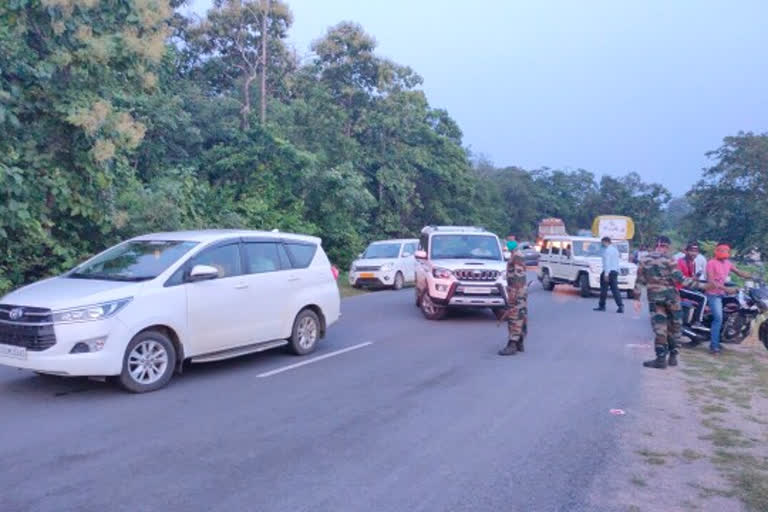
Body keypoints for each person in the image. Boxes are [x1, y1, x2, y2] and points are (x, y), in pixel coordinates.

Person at [633, 236, 694, 369]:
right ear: (667, 246)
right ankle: (673, 357)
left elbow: (639, 281)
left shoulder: (644, 260)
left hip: (655, 300)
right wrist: (701, 285)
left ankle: (661, 359)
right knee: (675, 327)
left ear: (656, 245)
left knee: (660, 329)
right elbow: (681, 279)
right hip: (672, 299)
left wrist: (637, 299)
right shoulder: (670, 260)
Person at [705, 242, 752, 355]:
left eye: (726, 251)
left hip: (722, 294)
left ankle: (722, 338)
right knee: (718, 319)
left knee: (730, 314)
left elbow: (738, 272)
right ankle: (714, 346)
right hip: (713, 294)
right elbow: (711, 281)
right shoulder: (711, 263)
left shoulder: (727, 263)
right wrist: (726, 289)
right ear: (716, 251)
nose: (724, 252)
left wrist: (750, 275)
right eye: (721, 250)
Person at [498, 238, 528, 356]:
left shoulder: (517, 256)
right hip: (517, 289)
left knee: (514, 316)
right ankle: (519, 342)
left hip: (517, 290)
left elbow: (518, 274)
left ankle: (513, 344)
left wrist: (514, 292)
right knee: (520, 315)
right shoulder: (515, 255)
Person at [677, 241, 707, 328]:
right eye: (691, 251)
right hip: (680, 288)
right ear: (686, 251)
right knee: (703, 298)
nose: (694, 253)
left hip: (687, 286)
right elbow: (681, 279)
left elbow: (691, 277)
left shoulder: (692, 263)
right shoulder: (680, 262)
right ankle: (697, 321)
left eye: (696, 251)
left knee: (706, 293)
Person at [594, 237, 624, 313]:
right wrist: (618, 271)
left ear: (605, 242)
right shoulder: (615, 250)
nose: (602, 244)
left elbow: (607, 263)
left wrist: (606, 274)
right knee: (615, 290)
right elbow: (617, 262)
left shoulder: (607, 251)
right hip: (614, 272)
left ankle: (602, 306)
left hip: (608, 272)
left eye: (602, 243)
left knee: (604, 290)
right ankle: (620, 306)